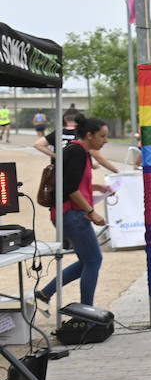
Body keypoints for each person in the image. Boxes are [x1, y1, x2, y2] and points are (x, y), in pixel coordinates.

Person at [35, 116, 111, 309]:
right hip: (72, 215)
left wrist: (96, 187)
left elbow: (72, 183)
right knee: (94, 260)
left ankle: (46, 292)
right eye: (102, 136)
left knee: (87, 261)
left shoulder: (80, 151)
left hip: (68, 214)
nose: (105, 141)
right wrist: (92, 212)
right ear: (89, 135)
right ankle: (87, 311)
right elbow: (70, 189)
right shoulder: (77, 152)